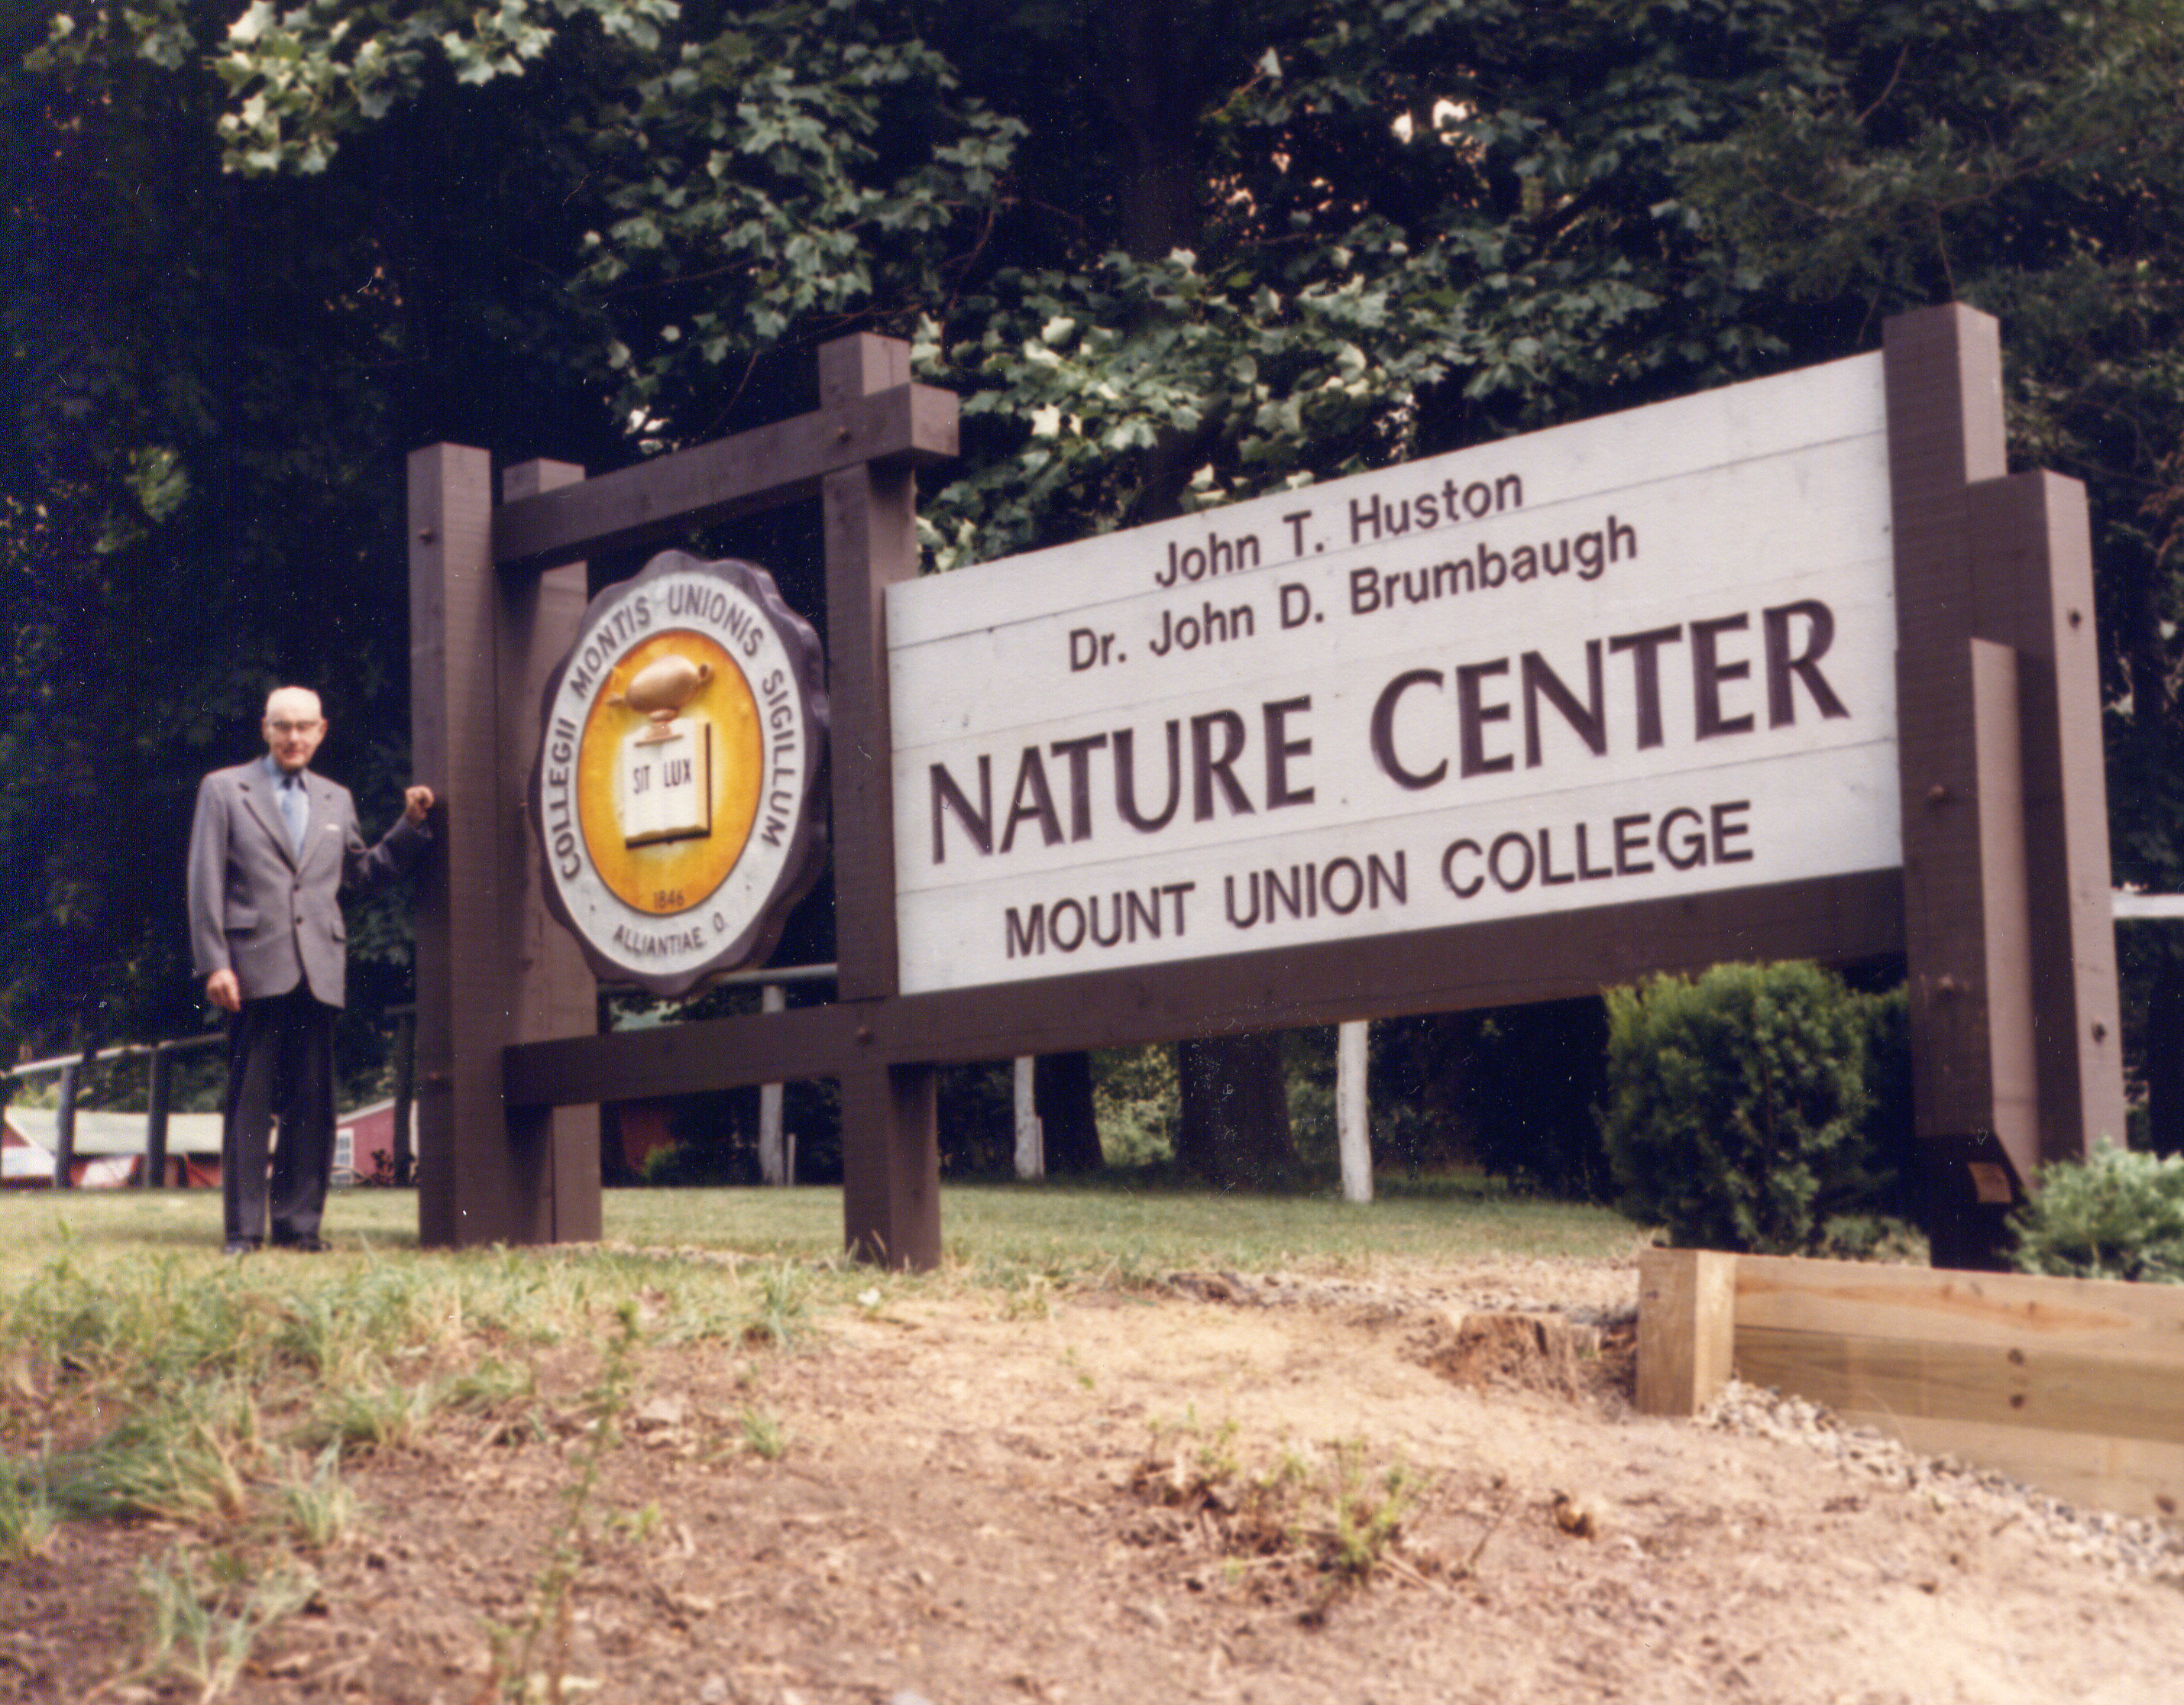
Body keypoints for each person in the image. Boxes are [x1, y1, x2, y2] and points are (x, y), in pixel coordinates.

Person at [187, 687, 435, 1254]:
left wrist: (409, 825)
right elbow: (204, 882)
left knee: (313, 1107)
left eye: (304, 727)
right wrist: (214, 964)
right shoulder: (225, 790)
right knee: (249, 1105)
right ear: (265, 729)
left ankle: (300, 1228)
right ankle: (244, 1232)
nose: (294, 737)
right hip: (251, 970)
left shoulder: (335, 800)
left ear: (322, 730)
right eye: (283, 726)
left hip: (319, 969)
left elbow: (358, 878)